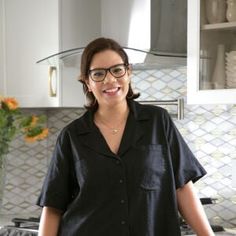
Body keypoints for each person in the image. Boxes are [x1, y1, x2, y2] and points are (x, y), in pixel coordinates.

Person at [37, 37, 214, 236]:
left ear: (128, 72)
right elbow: (53, 207)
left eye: (117, 70)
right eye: (98, 74)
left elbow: (182, 187)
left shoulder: (157, 122)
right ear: (87, 82)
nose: (110, 80)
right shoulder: (72, 136)